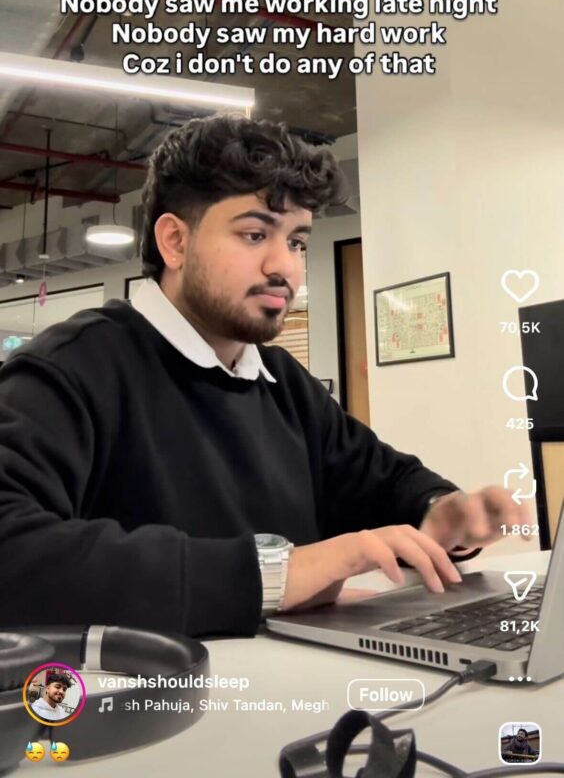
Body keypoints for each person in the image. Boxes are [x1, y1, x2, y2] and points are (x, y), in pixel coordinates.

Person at [0, 115, 530, 637]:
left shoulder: (281, 380)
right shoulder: (70, 368)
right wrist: (271, 576)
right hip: (147, 709)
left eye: (297, 241)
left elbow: (381, 479)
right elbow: (12, 550)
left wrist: (438, 514)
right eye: (255, 234)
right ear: (175, 243)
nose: (286, 267)